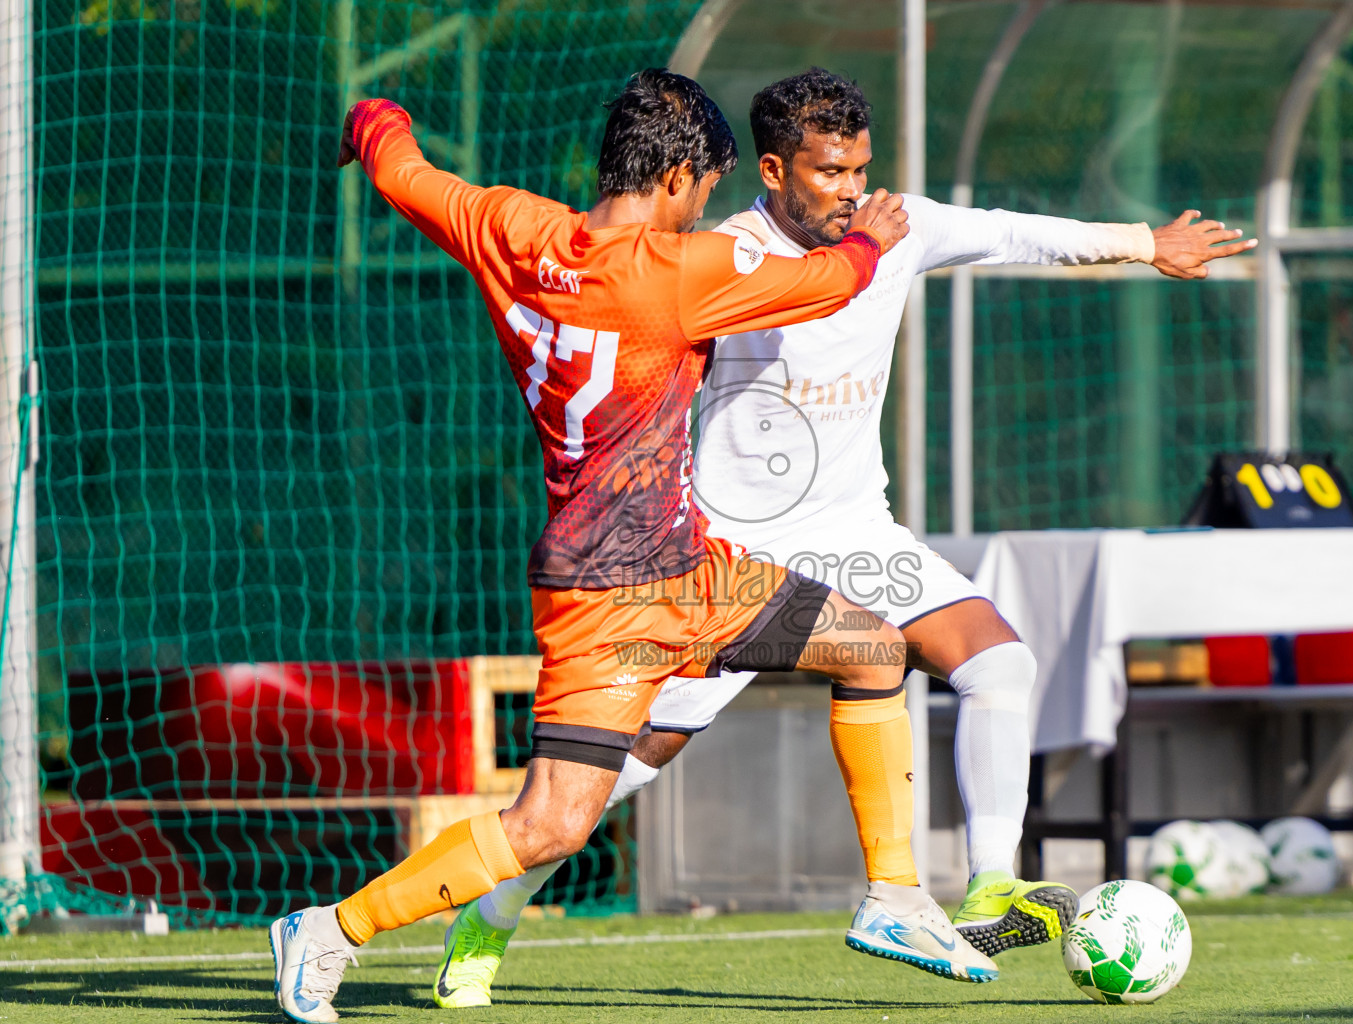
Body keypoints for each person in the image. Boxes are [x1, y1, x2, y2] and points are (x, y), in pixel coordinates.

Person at [433, 67, 1257, 1008]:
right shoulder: (716, 255)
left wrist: (1148, 243)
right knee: (617, 774)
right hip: (727, 554)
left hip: (857, 529)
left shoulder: (894, 226)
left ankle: (991, 883)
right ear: (775, 170)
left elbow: (1014, 232)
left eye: (861, 168)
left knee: (999, 663)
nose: (853, 190)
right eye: (830, 172)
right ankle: (488, 916)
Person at [269, 69, 998, 1024]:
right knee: (549, 826)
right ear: (679, 177)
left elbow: (406, 172)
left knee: (870, 646)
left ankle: (895, 898)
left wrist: (371, 120)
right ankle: (326, 932)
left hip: (692, 573)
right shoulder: (680, 274)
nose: (708, 210)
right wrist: (873, 236)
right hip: (608, 602)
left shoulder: (510, 229)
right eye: (705, 191)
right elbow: (831, 282)